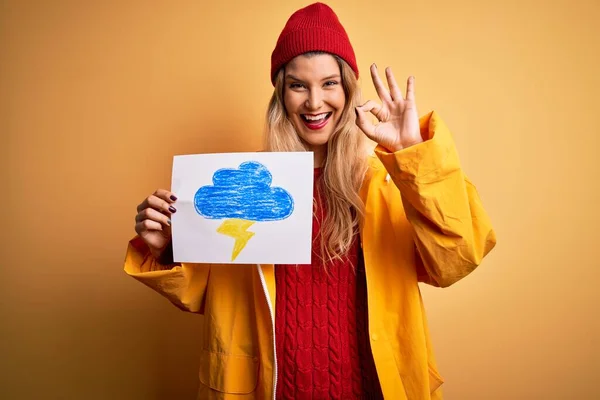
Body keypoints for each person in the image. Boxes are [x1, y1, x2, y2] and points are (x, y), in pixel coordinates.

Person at [124, 2, 496, 399]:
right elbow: (206, 293)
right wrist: (167, 248)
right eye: (298, 85)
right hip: (271, 388)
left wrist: (412, 154)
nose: (314, 102)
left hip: (371, 388)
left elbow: (457, 258)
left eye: (329, 83)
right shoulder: (245, 189)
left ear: (349, 89)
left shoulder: (390, 181)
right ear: (281, 94)